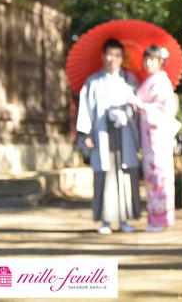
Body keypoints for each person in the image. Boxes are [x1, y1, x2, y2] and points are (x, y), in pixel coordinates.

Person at [76, 38, 141, 234]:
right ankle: (105, 220)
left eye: (117, 55)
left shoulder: (130, 80)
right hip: (101, 135)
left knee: (125, 175)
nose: (113, 59)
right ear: (103, 56)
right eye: (110, 54)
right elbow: (85, 109)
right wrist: (85, 134)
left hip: (125, 134)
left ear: (122, 58)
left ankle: (124, 220)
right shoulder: (93, 82)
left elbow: (138, 106)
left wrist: (127, 113)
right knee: (104, 174)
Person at [129, 45, 181, 232]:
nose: (148, 62)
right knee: (153, 175)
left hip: (157, 134)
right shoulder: (151, 80)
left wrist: (139, 103)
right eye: (146, 58)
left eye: (153, 59)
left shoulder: (161, 81)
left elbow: (163, 110)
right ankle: (156, 218)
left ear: (161, 62)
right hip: (149, 135)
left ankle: (160, 219)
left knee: (158, 174)